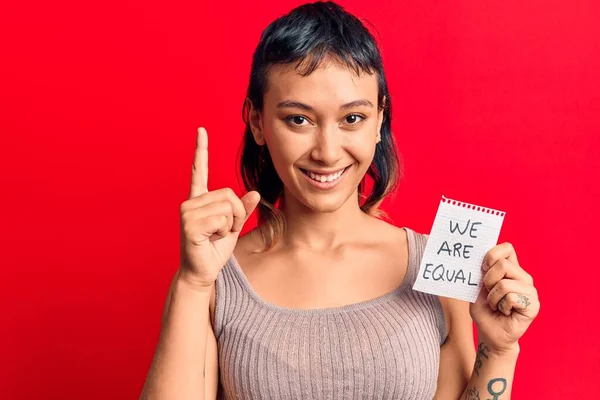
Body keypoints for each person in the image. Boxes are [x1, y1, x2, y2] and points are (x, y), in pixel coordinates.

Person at [140, 2, 540, 399]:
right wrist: (193, 284)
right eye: (298, 119)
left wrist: (500, 349)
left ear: (379, 120)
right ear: (257, 122)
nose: (327, 152)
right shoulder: (215, 279)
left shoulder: (435, 269)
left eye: (352, 118)